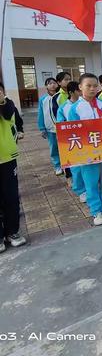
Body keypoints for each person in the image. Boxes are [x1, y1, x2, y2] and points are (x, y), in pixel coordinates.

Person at [67, 73, 102, 226]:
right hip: (87, 154)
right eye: (88, 85)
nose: (92, 89)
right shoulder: (75, 109)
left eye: (95, 86)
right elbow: (72, 132)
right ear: (80, 87)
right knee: (91, 183)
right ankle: (96, 211)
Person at [0, 82, 26, 253]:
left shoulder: (7, 106)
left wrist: (3, 101)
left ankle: (12, 232)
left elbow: (12, 117)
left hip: (7, 159)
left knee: (11, 197)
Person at [56, 81, 86, 203]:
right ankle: (81, 190)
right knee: (76, 167)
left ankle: (90, 188)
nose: (80, 92)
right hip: (73, 141)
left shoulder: (85, 104)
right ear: (71, 92)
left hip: (87, 139)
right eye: (78, 91)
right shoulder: (64, 107)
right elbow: (60, 124)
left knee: (88, 165)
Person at [38, 77, 62, 175]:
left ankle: (66, 164)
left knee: (64, 147)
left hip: (62, 127)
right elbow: (41, 114)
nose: (52, 85)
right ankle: (57, 166)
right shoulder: (43, 99)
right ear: (46, 86)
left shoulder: (60, 96)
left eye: (54, 83)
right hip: (50, 128)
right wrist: (42, 128)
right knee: (54, 148)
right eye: (50, 83)